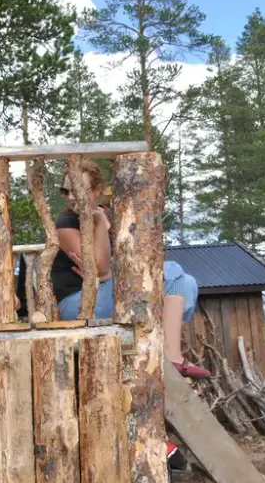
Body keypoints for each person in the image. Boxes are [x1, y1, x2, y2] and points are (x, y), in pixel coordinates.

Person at [51, 160, 210, 379]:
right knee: (172, 269)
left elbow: (133, 262)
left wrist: (105, 272)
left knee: (185, 283)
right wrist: (98, 222)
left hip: (108, 291)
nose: (70, 197)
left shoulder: (112, 214)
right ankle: (171, 356)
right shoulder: (66, 222)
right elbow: (100, 267)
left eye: (78, 190)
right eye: (65, 191)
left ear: (97, 191)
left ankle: (166, 350)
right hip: (78, 303)